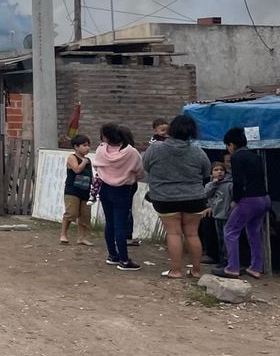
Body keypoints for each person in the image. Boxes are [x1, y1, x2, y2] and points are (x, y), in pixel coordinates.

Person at [142, 113, 211, 279]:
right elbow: (206, 172)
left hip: (164, 198)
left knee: (173, 233)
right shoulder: (198, 151)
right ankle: (196, 270)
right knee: (193, 234)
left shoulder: (155, 149)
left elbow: (146, 167)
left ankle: (176, 270)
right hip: (194, 198)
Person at [92, 123, 145, 271]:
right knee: (120, 224)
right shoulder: (131, 152)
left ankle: (113, 255)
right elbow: (139, 171)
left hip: (104, 188)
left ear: (106, 136)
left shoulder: (101, 149)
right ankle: (124, 260)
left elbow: (96, 166)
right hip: (123, 190)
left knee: (110, 223)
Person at [217, 127, 268, 279]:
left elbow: (238, 182)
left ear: (231, 144)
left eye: (227, 146)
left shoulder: (237, 157)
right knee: (253, 232)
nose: (228, 149)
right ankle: (256, 268)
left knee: (230, 231)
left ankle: (232, 268)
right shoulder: (255, 156)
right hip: (264, 199)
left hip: (249, 200)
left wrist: (235, 200)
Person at [61, 134, 94, 246]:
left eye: (88, 145)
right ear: (76, 147)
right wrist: (83, 162)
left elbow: (90, 175)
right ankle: (64, 234)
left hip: (85, 191)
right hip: (72, 191)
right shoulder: (72, 158)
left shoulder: (88, 160)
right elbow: (76, 170)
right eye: (84, 145)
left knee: (85, 215)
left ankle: (82, 237)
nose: (87, 148)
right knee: (71, 213)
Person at [201, 162, 232, 268]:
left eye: (221, 170)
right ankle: (221, 260)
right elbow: (206, 194)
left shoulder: (229, 184)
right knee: (220, 239)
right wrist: (214, 183)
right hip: (217, 215)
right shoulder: (210, 185)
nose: (219, 172)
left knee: (226, 239)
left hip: (227, 215)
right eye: (216, 170)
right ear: (211, 173)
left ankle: (227, 261)